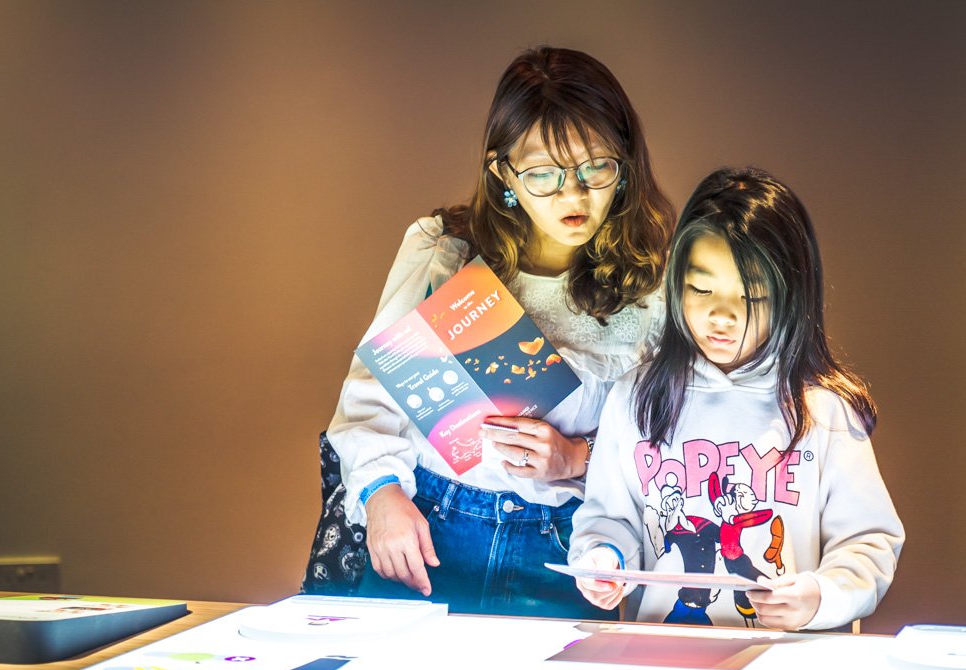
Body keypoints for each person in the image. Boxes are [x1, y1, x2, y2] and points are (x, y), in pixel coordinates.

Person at [305, 47, 673, 619]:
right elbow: (369, 395)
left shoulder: (659, 287)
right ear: (503, 172)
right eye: (543, 174)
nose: (572, 196)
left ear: (626, 163)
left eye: (596, 167)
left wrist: (580, 456)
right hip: (426, 528)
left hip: (563, 551)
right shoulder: (444, 251)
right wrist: (381, 497)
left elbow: (671, 445)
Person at [569, 167, 903, 630]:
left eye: (751, 296)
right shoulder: (635, 398)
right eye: (700, 288)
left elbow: (869, 541)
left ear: (790, 297)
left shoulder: (823, 410)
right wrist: (602, 559)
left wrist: (821, 596)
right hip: (661, 659)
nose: (721, 315)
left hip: (785, 667)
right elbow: (609, 517)